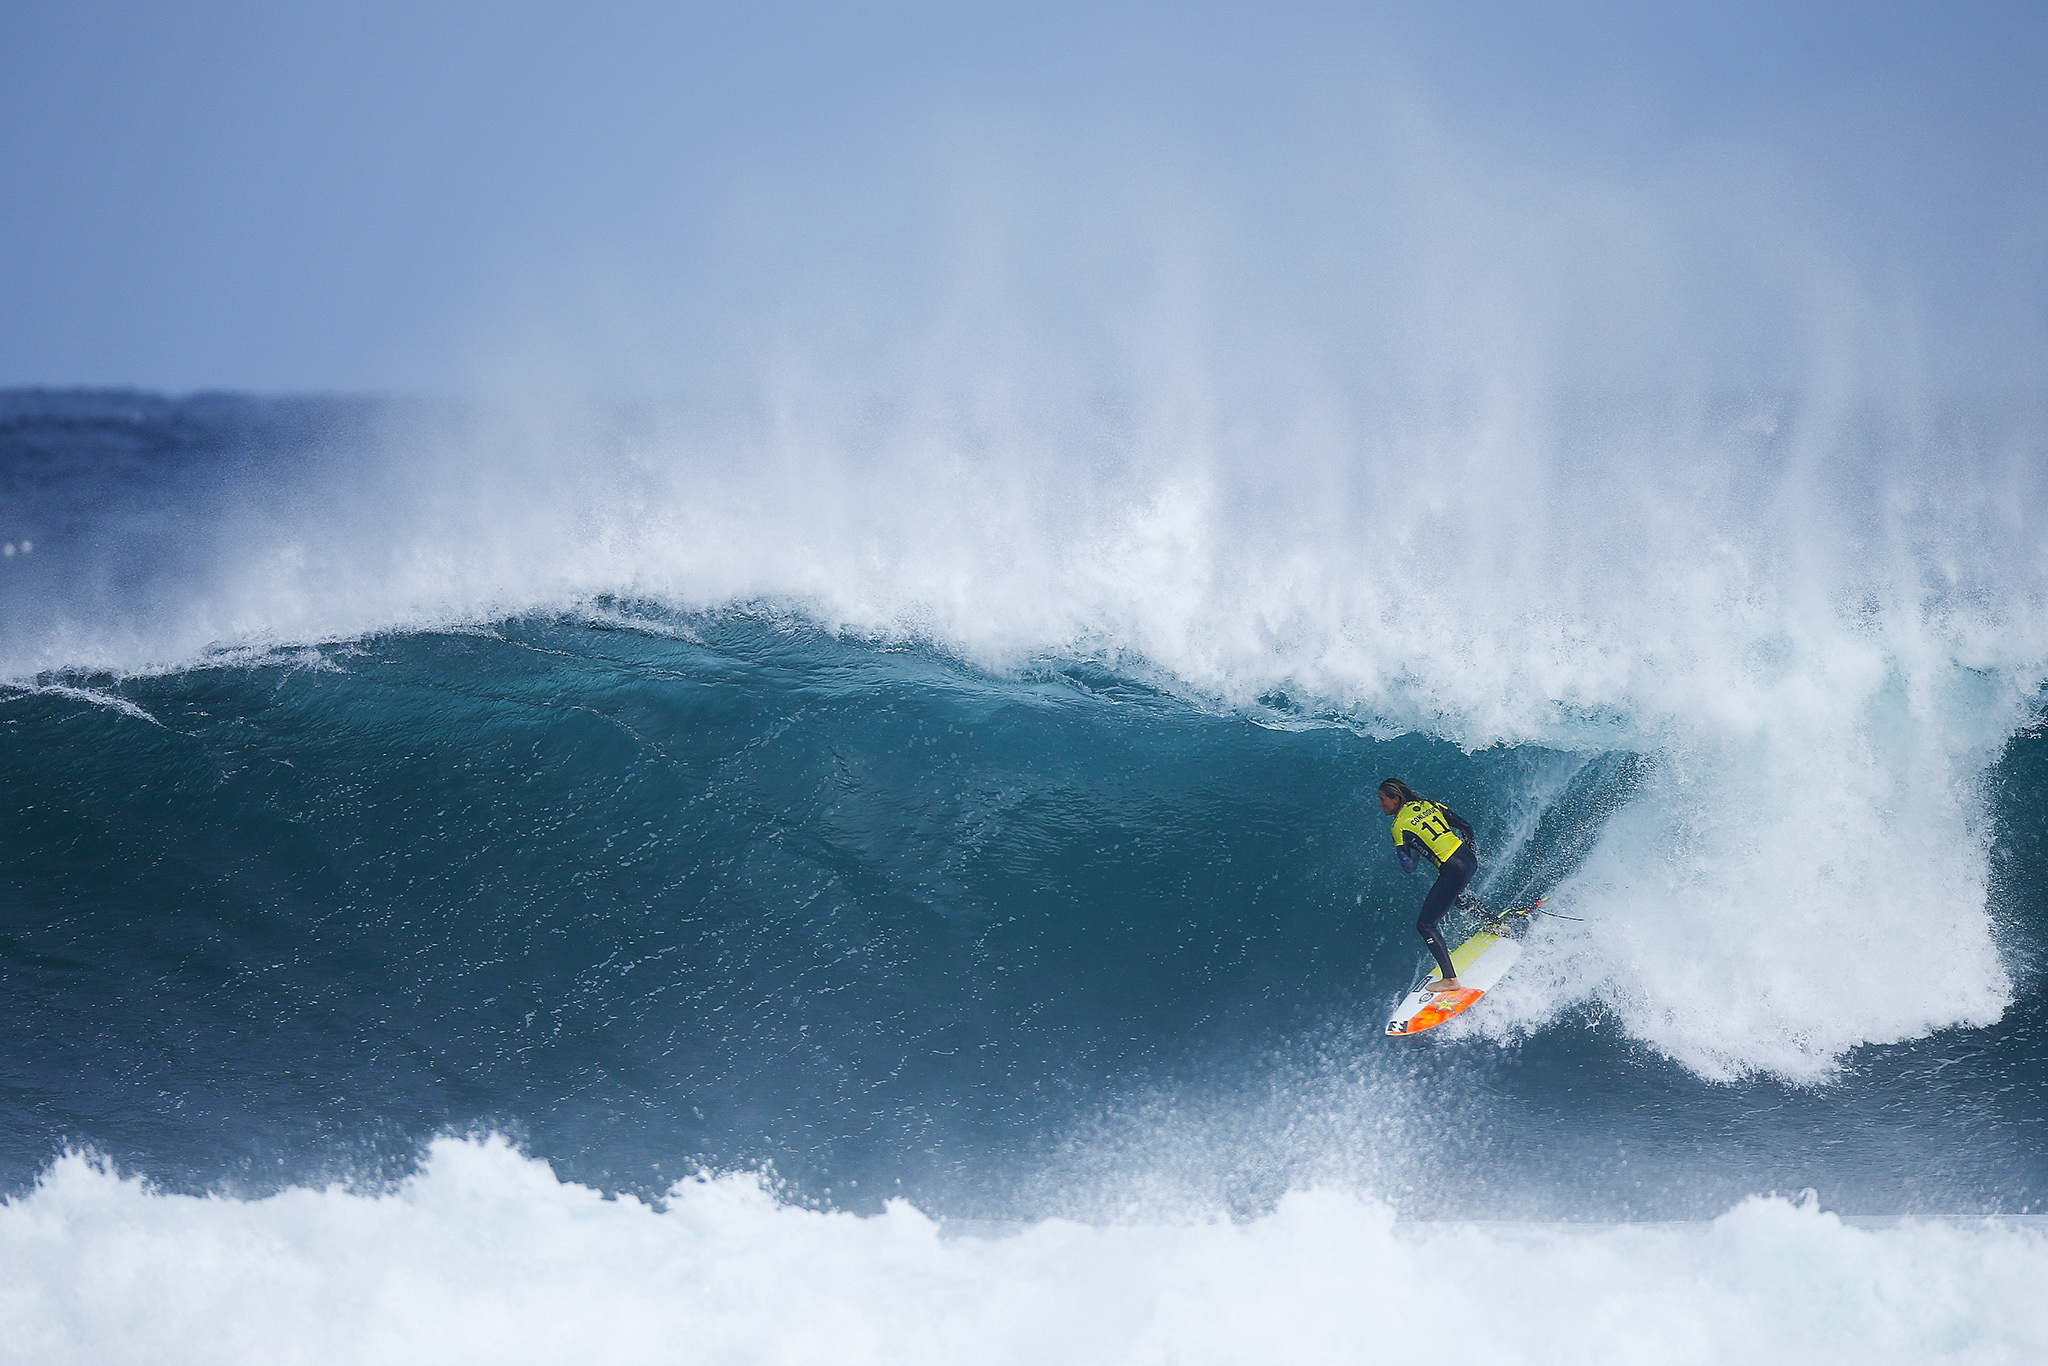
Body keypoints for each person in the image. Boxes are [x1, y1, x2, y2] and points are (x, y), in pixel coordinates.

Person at [1378, 778, 1478, 993]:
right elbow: (1466, 826)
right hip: (1468, 858)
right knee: (1455, 896)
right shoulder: (1429, 804)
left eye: (1383, 799)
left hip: (1452, 868)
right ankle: (1497, 923)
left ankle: (1450, 980)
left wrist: (1416, 851)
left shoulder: (1398, 826)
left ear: (1396, 799)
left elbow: (1409, 867)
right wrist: (1471, 853)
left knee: (1425, 925)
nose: (1380, 804)